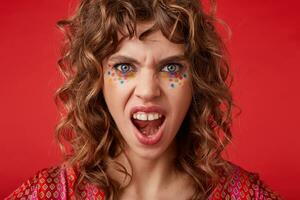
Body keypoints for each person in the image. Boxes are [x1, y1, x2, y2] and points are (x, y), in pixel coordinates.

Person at [6, 0, 282, 199]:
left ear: (196, 83)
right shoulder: (47, 193)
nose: (148, 91)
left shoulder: (248, 195)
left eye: (171, 68)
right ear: (97, 80)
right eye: (125, 67)